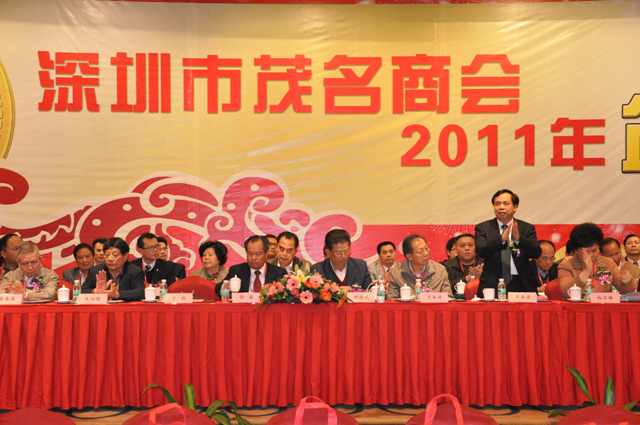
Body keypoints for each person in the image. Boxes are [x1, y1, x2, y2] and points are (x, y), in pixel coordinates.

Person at [475, 189, 541, 295]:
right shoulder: (483, 228)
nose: (501, 207)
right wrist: (501, 240)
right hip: (493, 283)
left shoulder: (526, 228)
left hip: (521, 283)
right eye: (497, 204)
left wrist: (519, 239)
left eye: (506, 203)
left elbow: (536, 253)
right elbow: (481, 251)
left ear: (515, 207)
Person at [557, 223, 637, 295]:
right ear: (576, 251)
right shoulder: (566, 265)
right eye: (587, 252)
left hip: (603, 305)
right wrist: (586, 271)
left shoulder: (607, 262)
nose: (592, 255)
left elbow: (625, 290)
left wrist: (627, 282)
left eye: (594, 250)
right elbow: (565, 291)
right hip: (578, 306)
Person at [388, 234, 450, 298]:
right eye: (420, 251)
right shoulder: (396, 273)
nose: (426, 253)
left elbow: (449, 298)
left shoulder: (440, 270)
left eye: (426, 249)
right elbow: (392, 300)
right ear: (409, 256)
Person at [222, 235, 286, 293]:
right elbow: (219, 289)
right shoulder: (236, 271)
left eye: (257, 254)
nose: (253, 257)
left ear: (266, 254)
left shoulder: (279, 273)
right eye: (250, 254)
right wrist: (226, 286)